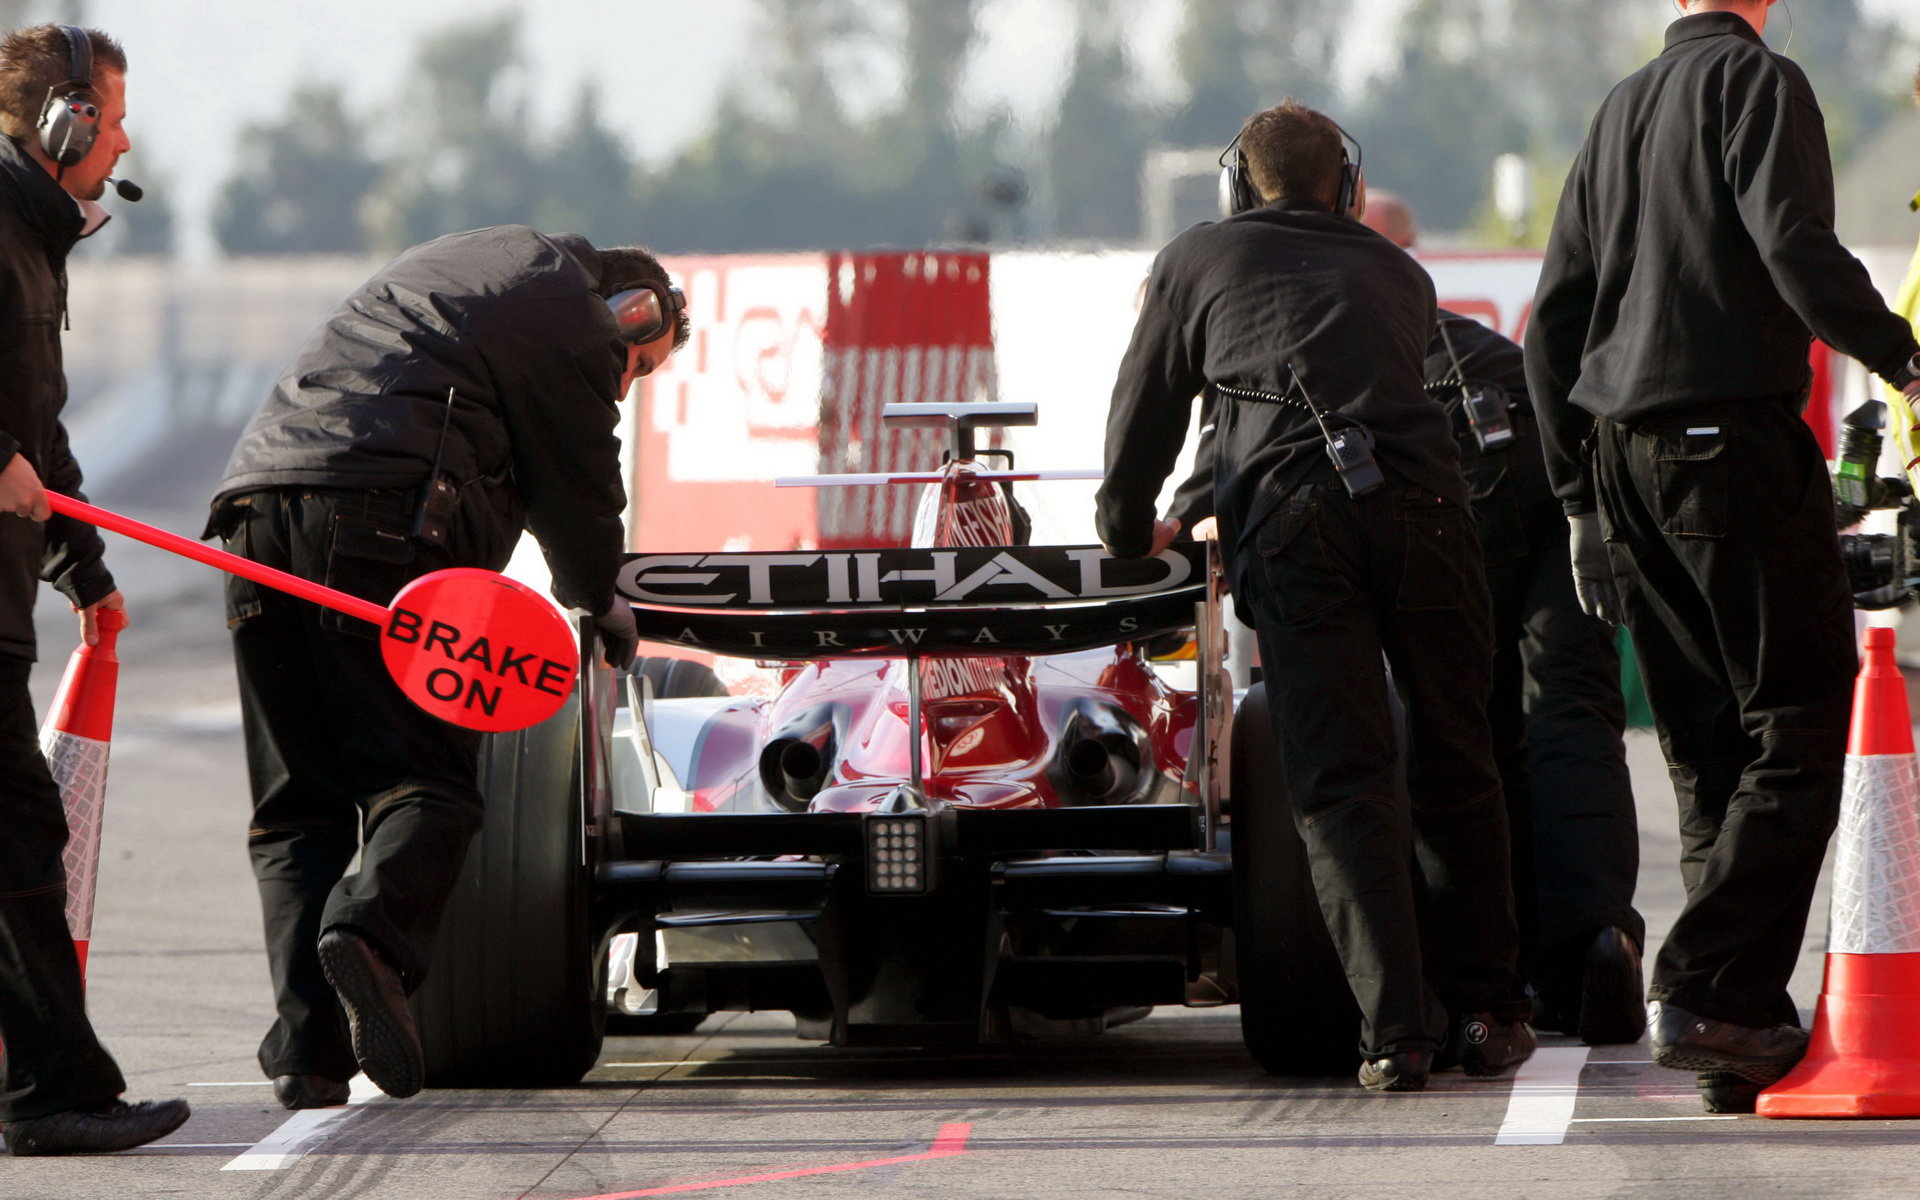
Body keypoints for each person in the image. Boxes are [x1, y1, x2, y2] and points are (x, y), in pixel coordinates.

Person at [1527, 0, 1920, 1113]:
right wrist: (1902, 357)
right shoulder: (1762, 84)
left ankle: (1729, 1025)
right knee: (1797, 723)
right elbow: (1793, 241)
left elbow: (1552, 321)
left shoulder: (1616, 112)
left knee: (1709, 748)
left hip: (1623, 463)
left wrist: (1578, 505)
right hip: (1729, 448)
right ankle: (1703, 985)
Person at [1098, 99, 1533, 1093]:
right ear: (1344, 187)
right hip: (1429, 510)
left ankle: (1397, 1032)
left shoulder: (1194, 261)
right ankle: (1492, 1009)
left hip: (1299, 525)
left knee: (1343, 780)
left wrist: (1132, 535)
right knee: (1459, 761)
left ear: (1239, 186)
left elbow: (1143, 422)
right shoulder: (1398, 270)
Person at [206, 226, 688, 1109]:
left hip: (249, 515)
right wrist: (601, 599)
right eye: (641, 366)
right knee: (426, 783)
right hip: (372, 516)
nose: (628, 386)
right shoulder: (573, 315)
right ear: (634, 310)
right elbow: (578, 487)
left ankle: (310, 1055)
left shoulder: (483, 269)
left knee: (297, 807)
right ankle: (371, 935)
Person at [1364, 196, 1647, 1045]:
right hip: (1548, 440)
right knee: (1572, 707)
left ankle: (1492, 969)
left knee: (1466, 723)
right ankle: (1597, 937)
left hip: (1456, 457)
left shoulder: (1294, 317)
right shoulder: (1438, 319)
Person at [0, 24, 191, 1156]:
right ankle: (53, 1092)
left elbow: (41, 429)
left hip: (7, 602)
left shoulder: (34, 245)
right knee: (22, 837)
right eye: (111, 117)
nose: (123, 139)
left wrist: (87, 571)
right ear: (64, 123)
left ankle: (54, 1085)